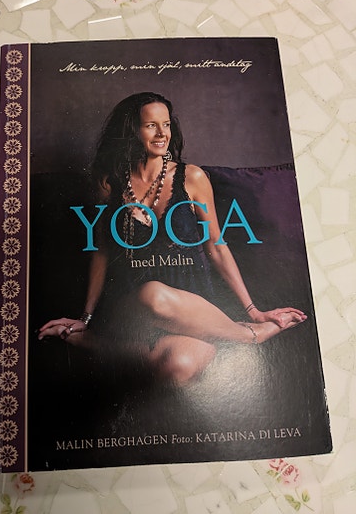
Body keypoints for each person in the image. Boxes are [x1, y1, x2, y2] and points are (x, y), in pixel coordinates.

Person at [38, 92, 306, 385]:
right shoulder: (109, 183)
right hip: (135, 302)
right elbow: (101, 251)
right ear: (131, 132)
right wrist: (86, 317)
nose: (161, 133)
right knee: (154, 294)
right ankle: (251, 336)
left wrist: (252, 310)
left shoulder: (192, 178)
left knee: (177, 367)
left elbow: (216, 246)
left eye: (166, 124)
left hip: (190, 304)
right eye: (150, 125)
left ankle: (95, 343)